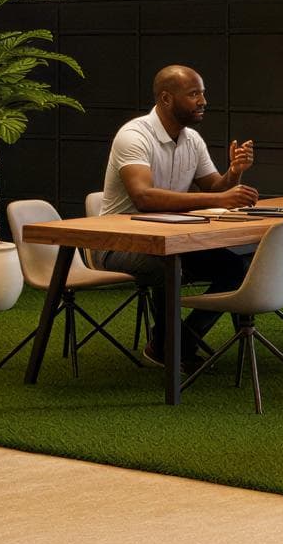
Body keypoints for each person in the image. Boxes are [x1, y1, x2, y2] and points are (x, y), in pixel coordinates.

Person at [95, 64, 259, 366]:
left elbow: (215, 187)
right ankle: (170, 347)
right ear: (166, 98)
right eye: (194, 94)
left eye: (203, 94)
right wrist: (219, 198)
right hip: (119, 243)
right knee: (168, 267)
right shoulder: (133, 135)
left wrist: (234, 172)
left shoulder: (192, 140)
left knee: (236, 268)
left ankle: (177, 343)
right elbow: (144, 197)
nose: (203, 101)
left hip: (173, 241)